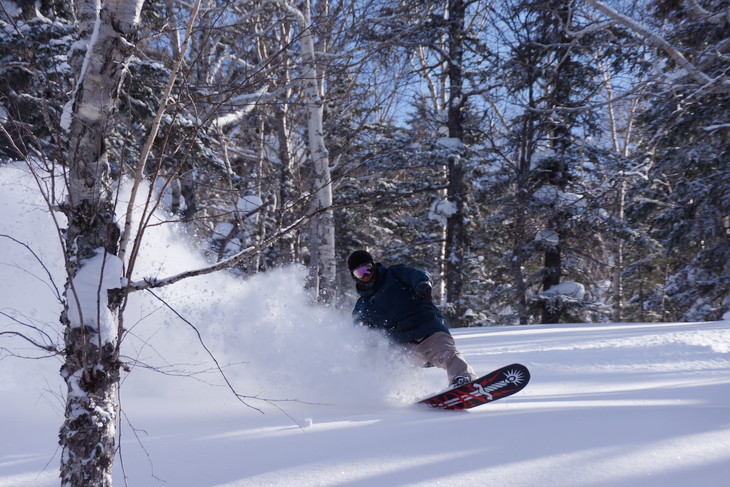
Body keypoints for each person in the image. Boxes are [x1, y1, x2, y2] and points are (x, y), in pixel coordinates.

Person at [347, 250, 478, 388]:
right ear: (354, 276)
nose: (366, 275)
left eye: (368, 269)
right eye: (360, 273)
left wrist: (423, 284)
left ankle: (464, 379)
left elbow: (416, 274)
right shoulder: (363, 305)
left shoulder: (394, 274)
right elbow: (362, 333)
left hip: (428, 328)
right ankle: (396, 396)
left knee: (445, 352)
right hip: (403, 343)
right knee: (390, 367)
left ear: (373, 265)